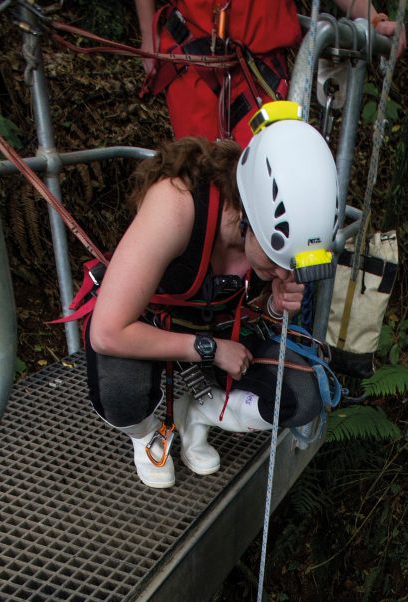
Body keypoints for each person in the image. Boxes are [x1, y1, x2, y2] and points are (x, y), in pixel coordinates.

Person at [86, 108, 339, 487]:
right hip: (156, 333)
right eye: (278, 261)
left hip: (218, 333)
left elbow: (252, 317)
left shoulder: (271, 241)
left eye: (294, 267)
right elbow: (107, 331)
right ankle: (148, 432)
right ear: (248, 218)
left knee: (303, 395)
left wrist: (273, 303)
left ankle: (199, 413)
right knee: (121, 390)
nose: (286, 274)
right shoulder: (176, 204)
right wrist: (209, 349)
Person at [134, 0, 407, 145]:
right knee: (199, 191)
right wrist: (149, 36)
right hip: (191, 63)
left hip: (259, 75)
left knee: (259, 190)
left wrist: (374, 20)